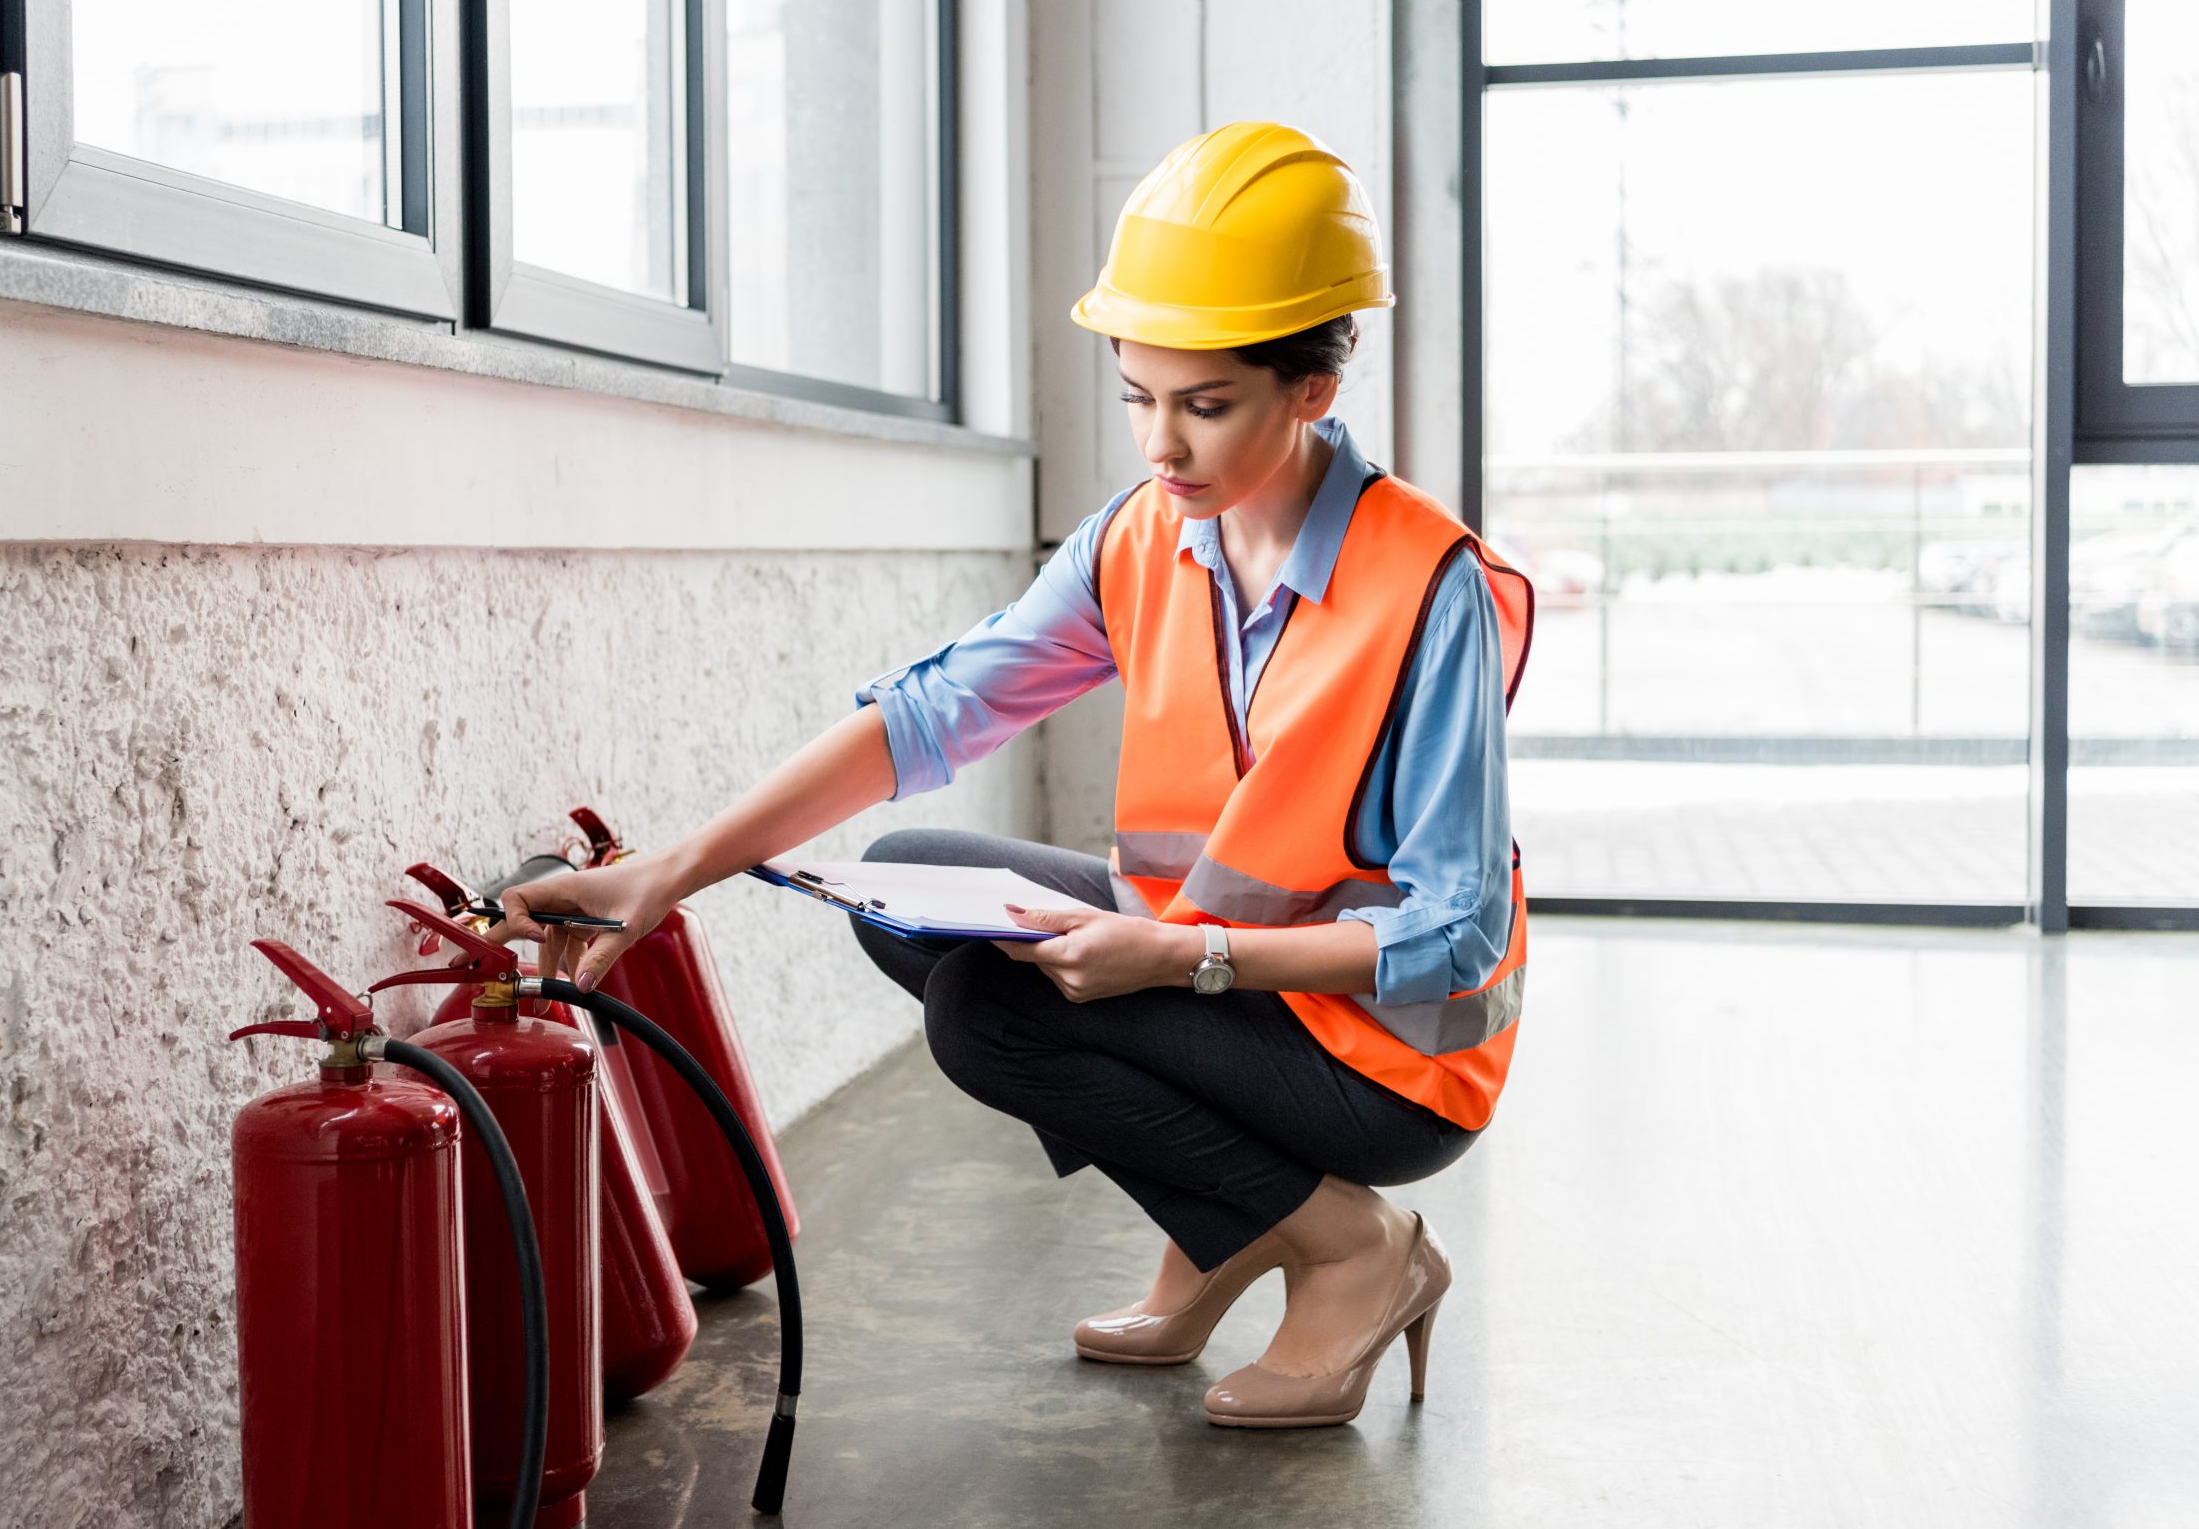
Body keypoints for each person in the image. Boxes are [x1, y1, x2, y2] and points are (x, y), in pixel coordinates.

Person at [487, 122, 1536, 1430]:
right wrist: (674, 870)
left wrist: (1177, 961)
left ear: (1313, 389)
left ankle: (1353, 1247)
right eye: (1138, 397)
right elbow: (933, 712)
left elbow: (1452, 934)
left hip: (1389, 1061)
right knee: (908, 885)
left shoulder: (1426, 586)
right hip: (1216, 966)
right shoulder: (1149, 538)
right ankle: (1227, 1223)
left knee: (988, 1012)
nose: (1161, 445)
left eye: (1205, 404)